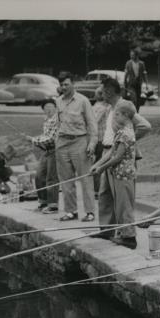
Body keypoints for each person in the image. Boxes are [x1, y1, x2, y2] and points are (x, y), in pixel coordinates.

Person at [91, 77, 151, 243]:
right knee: (105, 194)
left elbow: (145, 126)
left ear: (110, 90)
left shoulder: (123, 107)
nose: (100, 92)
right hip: (108, 152)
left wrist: (127, 141)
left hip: (119, 156)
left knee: (123, 198)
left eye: (102, 89)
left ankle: (128, 235)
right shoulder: (109, 108)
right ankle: (107, 230)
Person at [89, 102, 139, 249]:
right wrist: (96, 165)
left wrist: (101, 169)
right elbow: (111, 152)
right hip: (117, 174)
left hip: (124, 176)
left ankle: (130, 238)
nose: (115, 117)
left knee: (125, 206)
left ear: (125, 115)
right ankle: (122, 234)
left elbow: (117, 157)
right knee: (119, 206)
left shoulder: (126, 133)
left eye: (117, 114)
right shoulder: (122, 131)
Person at [54, 72, 98, 222]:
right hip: (62, 143)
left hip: (79, 142)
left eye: (66, 84)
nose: (64, 87)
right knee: (66, 180)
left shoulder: (83, 101)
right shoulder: (58, 101)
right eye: (61, 85)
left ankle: (90, 212)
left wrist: (92, 144)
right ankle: (71, 211)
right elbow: (57, 123)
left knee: (85, 179)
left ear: (73, 84)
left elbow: (92, 124)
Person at [30, 99, 60, 213]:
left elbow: (51, 138)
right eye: (46, 107)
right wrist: (36, 140)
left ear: (55, 108)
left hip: (55, 151)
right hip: (46, 151)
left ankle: (53, 205)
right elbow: (44, 136)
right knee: (39, 176)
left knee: (51, 178)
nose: (48, 109)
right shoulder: (46, 119)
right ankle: (43, 202)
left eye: (50, 106)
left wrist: (33, 140)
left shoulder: (57, 119)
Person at [123, 47, 148, 112]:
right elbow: (126, 74)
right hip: (131, 84)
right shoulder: (128, 63)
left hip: (138, 84)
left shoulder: (142, 64)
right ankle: (133, 112)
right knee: (134, 99)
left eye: (133, 55)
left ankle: (137, 112)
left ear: (136, 55)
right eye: (130, 55)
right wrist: (125, 83)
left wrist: (146, 84)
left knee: (138, 100)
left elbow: (144, 74)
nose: (131, 56)